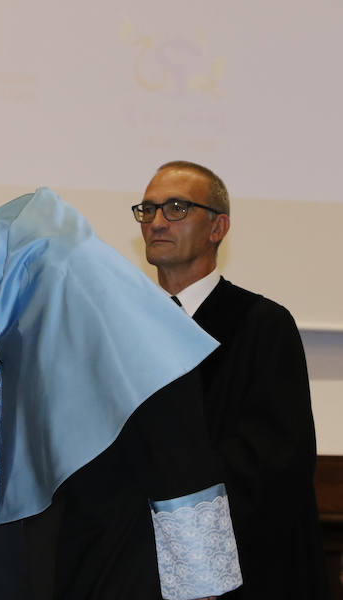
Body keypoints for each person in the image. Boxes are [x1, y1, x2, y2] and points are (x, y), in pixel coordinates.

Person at [0, 149, 242, 599]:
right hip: (42, 538)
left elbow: (168, 407)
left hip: (110, 547)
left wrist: (201, 583)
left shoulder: (68, 272)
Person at [135, 161, 327, 599]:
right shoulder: (127, 327)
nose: (158, 222)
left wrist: (181, 519)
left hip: (242, 569)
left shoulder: (262, 324)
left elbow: (276, 458)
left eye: (177, 208)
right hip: (140, 567)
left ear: (218, 227)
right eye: (148, 210)